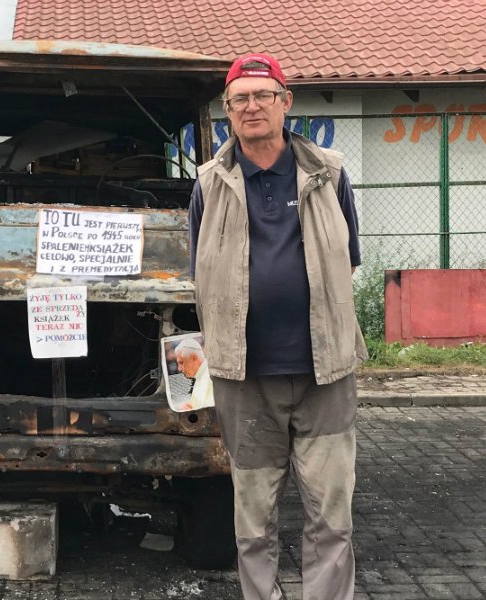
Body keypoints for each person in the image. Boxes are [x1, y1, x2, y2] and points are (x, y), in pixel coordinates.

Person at [189, 53, 367, 600]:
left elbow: (349, 259)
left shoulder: (329, 174)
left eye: (263, 95)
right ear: (228, 111)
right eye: (240, 98)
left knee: (331, 514)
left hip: (325, 371)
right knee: (253, 519)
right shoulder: (207, 184)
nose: (252, 106)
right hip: (245, 378)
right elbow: (202, 270)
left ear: (286, 102)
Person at [174, 338, 214, 409]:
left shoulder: (210, 375)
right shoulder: (200, 374)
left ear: (194, 358)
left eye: (181, 362)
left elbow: (211, 410)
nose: (179, 369)